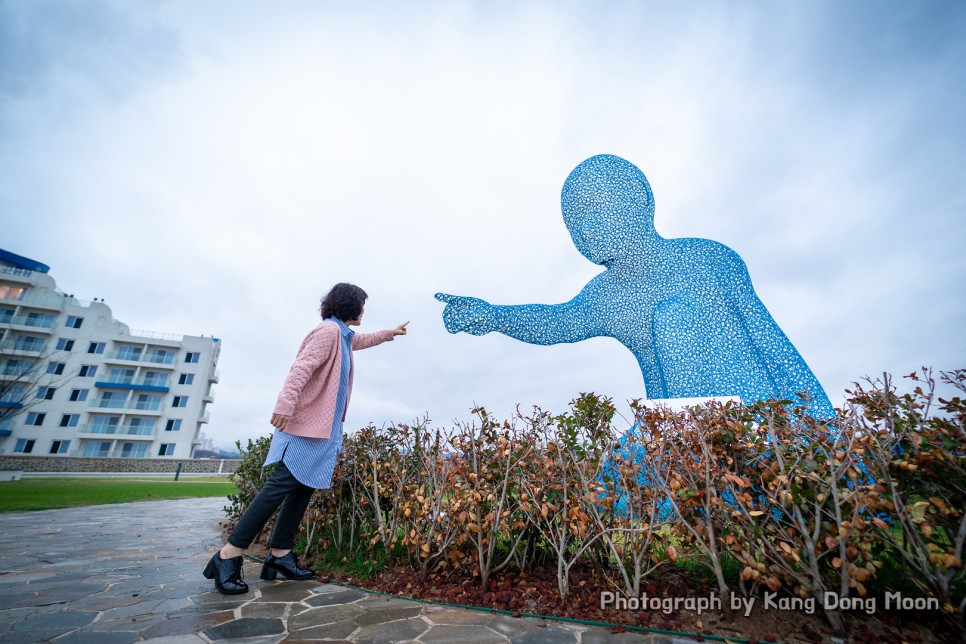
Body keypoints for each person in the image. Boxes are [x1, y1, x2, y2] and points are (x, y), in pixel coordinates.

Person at [435, 154, 832, 419]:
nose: (583, 231)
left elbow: (772, 343)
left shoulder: (710, 259)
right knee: (610, 496)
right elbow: (556, 322)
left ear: (640, 200)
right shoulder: (606, 296)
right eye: (573, 223)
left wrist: (821, 426)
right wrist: (492, 315)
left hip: (760, 421)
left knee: (675, 319)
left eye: (593, 211)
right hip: (677, 435)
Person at [204, 283, 408, 594]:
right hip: (304, 426)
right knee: (280, 486)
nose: (364, 312)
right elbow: (301, 368)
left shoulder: (343, 335)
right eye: (362, 305)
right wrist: (284, 405)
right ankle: (227, 555)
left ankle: (280, 555)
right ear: (350, 305)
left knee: (301, 488)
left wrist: (391, 333)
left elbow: (362, 340)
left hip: (321, 429)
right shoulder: (328, 332)